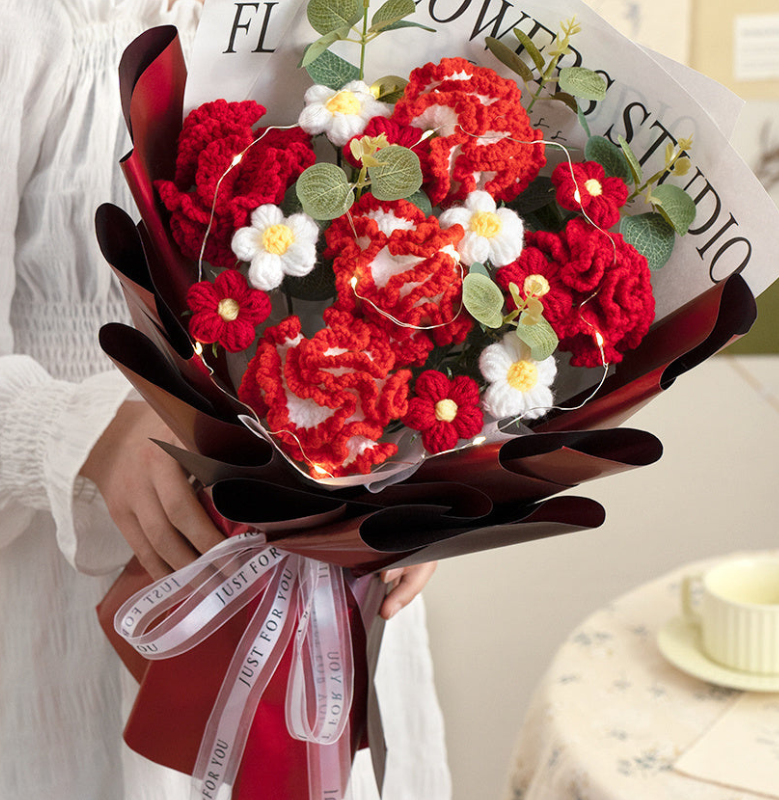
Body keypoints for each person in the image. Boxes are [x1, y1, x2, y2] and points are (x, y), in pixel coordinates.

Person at [0, 1, 449, 797]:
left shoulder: (355, 17)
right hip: (89, 611)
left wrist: (429, 486)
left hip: (342, 609)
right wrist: (78, 434)